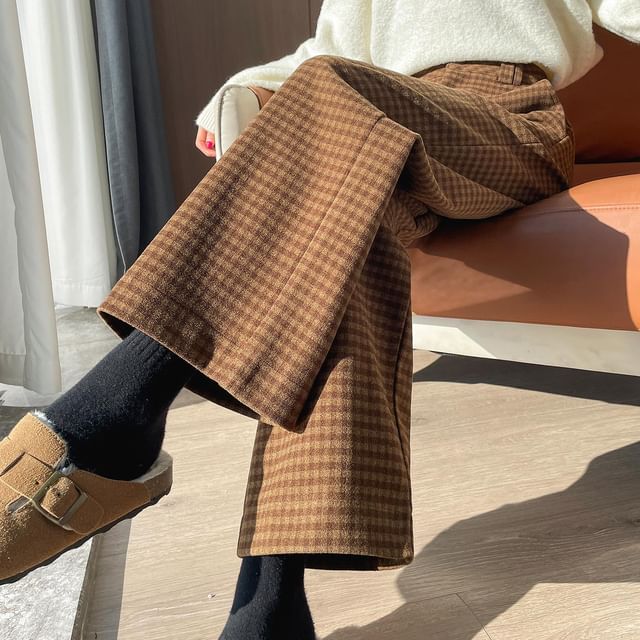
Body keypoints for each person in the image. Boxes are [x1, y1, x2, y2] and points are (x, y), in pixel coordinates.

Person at [1, 1, 638, 639]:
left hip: (502, 123)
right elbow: (327, 46)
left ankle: (113, 417)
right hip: (381, 131)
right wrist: (236, 91)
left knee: (334, 91)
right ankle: (271, 607)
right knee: (349, 240)